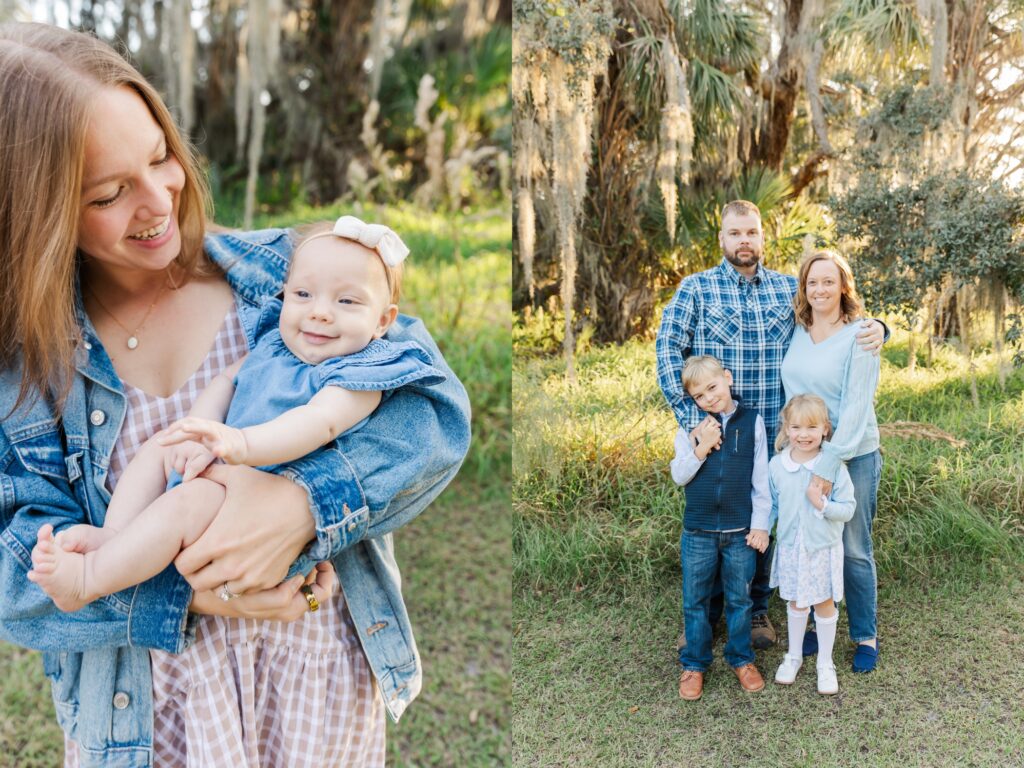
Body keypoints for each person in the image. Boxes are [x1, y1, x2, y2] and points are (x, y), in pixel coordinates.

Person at [0, 22, 470, 768]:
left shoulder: (292, 279)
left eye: (160, 157)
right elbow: (16, 571)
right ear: (31, 214)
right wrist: (185, 595)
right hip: (150, 718)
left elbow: (433, 417)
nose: (159, 200)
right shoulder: (23, 366)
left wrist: (299, 505)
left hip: (314, 682)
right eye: (110, 193)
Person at [29, 216, 446, 614]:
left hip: (260, 502)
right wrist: (200, 430)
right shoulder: (274, 345)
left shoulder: (358, 375)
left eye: (347, 301)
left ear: (383, 321)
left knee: (187, 503)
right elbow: (228, 381)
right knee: (163, 443)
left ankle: (89, 579)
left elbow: (321, 422)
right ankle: (116, 537)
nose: (320, 311)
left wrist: (241, 444)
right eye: (303, 295)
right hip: (224, 462)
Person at [656, 199, 885, 651]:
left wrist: (880, 326)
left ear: (763, 238)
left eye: (752, 233)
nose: (745, 241)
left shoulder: (787, 291)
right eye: (735, 233)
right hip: (719, 432)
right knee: (715, 523)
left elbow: (835, 314)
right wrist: (694, 421)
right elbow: (668, 352)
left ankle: (759, 608)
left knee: (764, 518)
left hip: (778, 438)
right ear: (721, 239)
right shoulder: (696, 289)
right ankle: (705, 615)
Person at [781, 250, 882, 674]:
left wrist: (827, 468)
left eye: (828, 281)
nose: (819, 289)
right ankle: (810, 624)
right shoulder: (798, 330)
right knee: (808, 541)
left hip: (851, 455)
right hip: (805, 452)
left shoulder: (861, 333)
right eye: (811, 282)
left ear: (843, 285)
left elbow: (857, 410)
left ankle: (865, 634)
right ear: (804, 289)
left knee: (853, 547)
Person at [670, 355, 770, 701]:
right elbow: (678, 475)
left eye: (713, 387)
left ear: (727, 378)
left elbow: (761, 481)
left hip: (739, 531)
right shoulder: (689, 427)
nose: (709, 398)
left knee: (740, 598)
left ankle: (742, 658)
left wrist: (761, 526)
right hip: (697, 531)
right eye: (699, 395)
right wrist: (701, 447)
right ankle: (694, 663)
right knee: (695, 600)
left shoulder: (752, 421)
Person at [768, 394, 855, 695]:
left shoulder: (832, 468)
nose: (803, 435)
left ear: (825, 430)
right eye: (796, 427)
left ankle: (825, 662)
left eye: (811, 428)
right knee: (796, 601)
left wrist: (824, 506)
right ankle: (793, 657)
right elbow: (771, 505)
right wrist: (762, 530)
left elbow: (848, 508)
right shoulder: (777, 466)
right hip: (791, 547)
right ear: (786, 429)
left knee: (823, 603)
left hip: (822, 549)